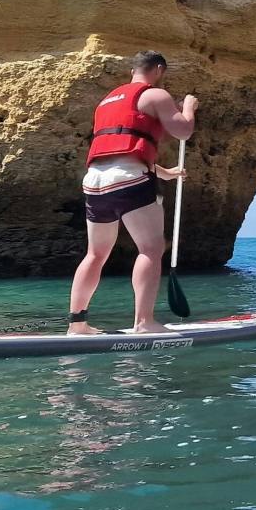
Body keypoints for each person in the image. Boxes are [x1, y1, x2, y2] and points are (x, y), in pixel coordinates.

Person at [68, 50, 197, 335]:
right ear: (159, 69)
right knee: (151, 249)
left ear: (132, 71)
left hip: (95, 181)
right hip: (128, 180)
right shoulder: (155, 95)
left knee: (95, 254)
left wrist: (166, 172)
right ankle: (144, 322)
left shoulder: (107, 101)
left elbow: (119, 145)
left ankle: (77, 325)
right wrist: (188, 107)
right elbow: (183, 131)